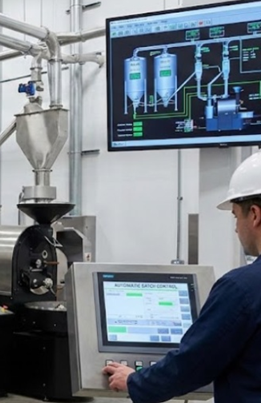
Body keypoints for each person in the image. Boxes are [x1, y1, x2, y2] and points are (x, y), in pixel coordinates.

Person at [103, 151, 261, 402]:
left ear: (254, 215)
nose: (235, 228)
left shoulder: (242, 288)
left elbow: (192, 364)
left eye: (235, 216)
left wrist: (135, 381)